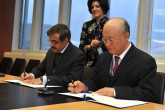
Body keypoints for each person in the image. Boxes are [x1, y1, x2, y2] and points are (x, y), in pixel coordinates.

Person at [68, 18, 157, 102]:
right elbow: (95, 80)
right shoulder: (104, 57)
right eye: (104, 40)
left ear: (126, 36)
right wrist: (84, 86)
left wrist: (115, 92)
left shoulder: (145, 61)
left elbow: (147, 93)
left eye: (111, 40)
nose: (107, 44)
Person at [21, 24, 85, 86]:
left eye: (54, 42)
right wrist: (32, 75)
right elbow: (41, 68)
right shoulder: (51, 51)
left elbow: (72, 79)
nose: (51, 45)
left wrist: (44, 80)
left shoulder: (78, 55)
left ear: (65, 41)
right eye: (50, 41)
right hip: (47, 91)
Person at [79, 0, 109, 67]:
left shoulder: (111, 24)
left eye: (97, 6)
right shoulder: (86, 25)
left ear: (103, 8)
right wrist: (90, 46)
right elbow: (81, 47)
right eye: (92, 7)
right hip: (90, 64)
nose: (94, 9)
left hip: (107, 63)